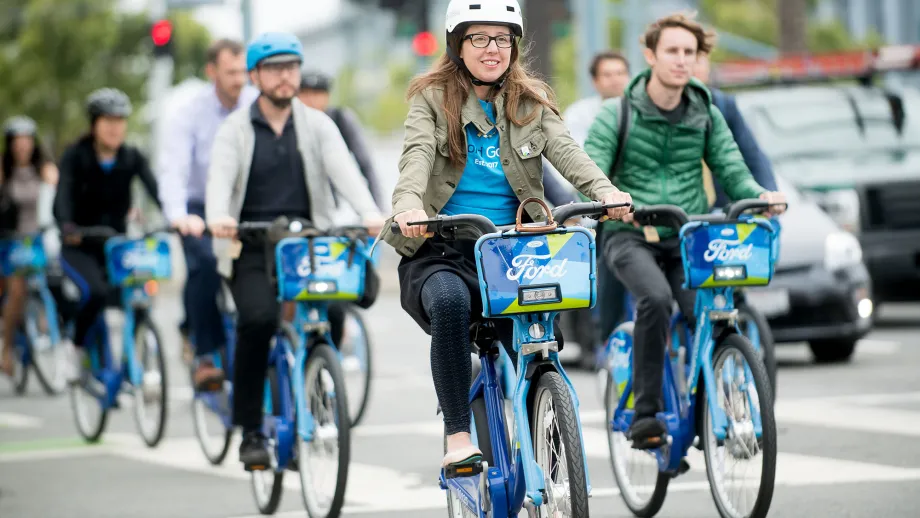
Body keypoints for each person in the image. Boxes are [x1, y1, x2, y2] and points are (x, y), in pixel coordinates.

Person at [379, 0, 632, 470]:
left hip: (514, 249)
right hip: (444, 248)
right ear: (458, 44)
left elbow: (567, 151)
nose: (492, 49)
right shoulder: (431, 99)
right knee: (452, 304)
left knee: (540, 335)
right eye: (479, 38)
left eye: (502, 39)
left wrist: (605, 191)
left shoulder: (530, 101)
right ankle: (458, 434)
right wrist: (408, 207)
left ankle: (547, 425)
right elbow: (414, 157)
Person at [583, 12, 786, 449]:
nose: (681, 61)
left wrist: (760, 195)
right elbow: (591, 169)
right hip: (630, 234)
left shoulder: (705, 111)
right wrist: (609, 200)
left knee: (710, 312)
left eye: (689, 53)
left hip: (688, 234)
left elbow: (732, 168)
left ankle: (723, 407)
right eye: (672, 51)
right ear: (650, 55)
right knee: (654, 299)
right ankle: (647, 414)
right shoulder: (614, 114)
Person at [205, 32, 384, 469]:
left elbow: (347, 175)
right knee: (259, 320)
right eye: (273, 68)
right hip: (250, 246)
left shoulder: (317, 123)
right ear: (255, 76)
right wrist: (217, 216)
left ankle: (317, 391)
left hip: (308, 242)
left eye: (291, 67)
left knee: (336, 311)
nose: (285, 77)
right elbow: (219, 182)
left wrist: (370, 213)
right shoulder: (236, 129)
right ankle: (250, 430)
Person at [158, 38, 259, 391]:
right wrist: (179, 216)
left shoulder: (255, 104)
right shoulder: (188, 113)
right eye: (231, 72)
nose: (239, 79)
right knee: (205, 265)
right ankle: (205, 353)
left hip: (245, 204)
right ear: (211, 71)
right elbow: (174, 170)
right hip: (199, 208)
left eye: (244, 71)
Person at [53, 88, 161, 379]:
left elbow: (156, 190)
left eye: (120, 120)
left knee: (140, 295)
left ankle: (138, 362)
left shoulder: (131, 156)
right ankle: (74, 348)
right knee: (95, 292)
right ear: (94, 124)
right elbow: (62, 197)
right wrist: (67, 225)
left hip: (116, 245)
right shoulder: (76, 156)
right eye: (108, 120)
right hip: (80, 244)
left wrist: (174, 217)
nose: (115, 127)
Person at [0, 116, 59, 377]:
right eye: (17, 141)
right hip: (13, 239)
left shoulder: (45, 169)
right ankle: (7, 347)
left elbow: (57, 199)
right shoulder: (4, 171)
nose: (22, 146)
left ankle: (49, 328)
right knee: (16, 292)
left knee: (53, 282)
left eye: (27, 140)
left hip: (40, 237)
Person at [693, 50, 778, 207]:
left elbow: (752, 156)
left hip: (719, 209)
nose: (693, 66)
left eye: (700, 60)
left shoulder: (722, 105)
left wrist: (767, 196)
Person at [297, 70, 388, 211]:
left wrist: (378, 211)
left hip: (336, 204)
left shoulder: (340, 119)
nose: (311, 100)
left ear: (327, 96)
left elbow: (365, 165)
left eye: (317, 94)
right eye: (305, 94)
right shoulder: (291, 123)